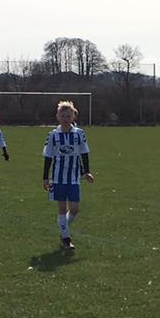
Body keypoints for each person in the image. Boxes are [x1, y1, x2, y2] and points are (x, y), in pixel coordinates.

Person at [42, 101, 95, 250]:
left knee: (75, 208)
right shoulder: (53, 135)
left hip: (74, 177)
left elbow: (84, 153)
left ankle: (63, 227)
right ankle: (66, 238)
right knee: (61, 208)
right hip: (58, 177)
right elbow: (48, 157)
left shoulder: (79, 134)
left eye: (68, 116)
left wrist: (87, 172)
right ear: (57, 116)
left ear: (73, 117)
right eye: (63, 115)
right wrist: (45, 178)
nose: (65, 118)